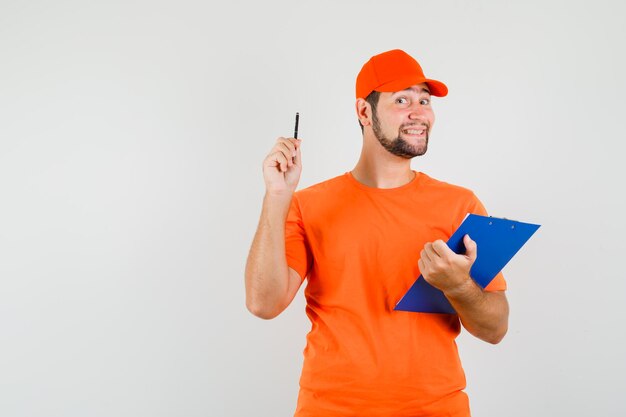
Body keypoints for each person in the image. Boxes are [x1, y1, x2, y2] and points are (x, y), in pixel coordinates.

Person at [245, 49, 509, 417]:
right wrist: (277, 196)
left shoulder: (460, 205)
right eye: (402, 100)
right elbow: (263, 303)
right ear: (364, 112)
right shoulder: (308, 205)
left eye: (424, 100)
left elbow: (495, 328)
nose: (419, 112)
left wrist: (459, 286)